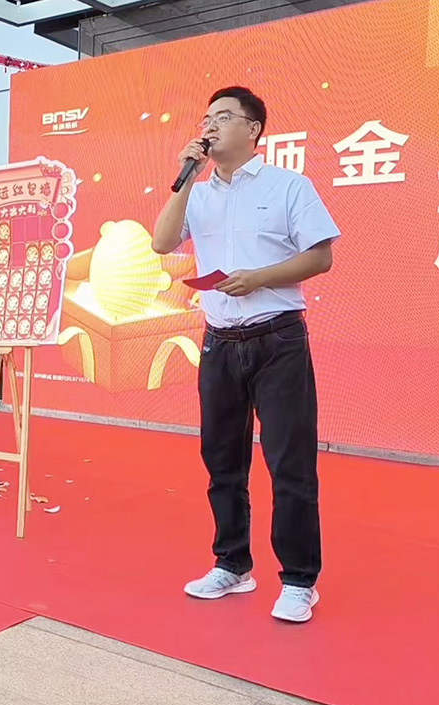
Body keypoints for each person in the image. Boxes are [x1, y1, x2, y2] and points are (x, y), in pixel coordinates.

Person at [151, 87, 339, 623]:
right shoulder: (198, 192)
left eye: (224, 117)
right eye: (206, 118)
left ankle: (299, 580)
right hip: (219, 341)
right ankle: (232, 564)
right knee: (222, 463)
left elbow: (320, 257)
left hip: (278, 340)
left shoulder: (288, 185)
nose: (210, 126)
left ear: (253, 129)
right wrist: (185, 179)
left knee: (289, 464)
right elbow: (162, 243)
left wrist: (259, 278)